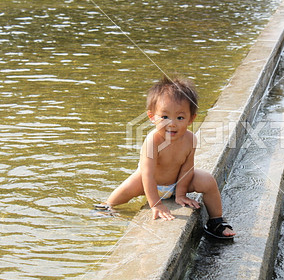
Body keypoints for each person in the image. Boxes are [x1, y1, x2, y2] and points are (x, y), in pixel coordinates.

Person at [96, 75, 235, 239]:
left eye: (180, 117)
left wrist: (181, 193)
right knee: (127, 188)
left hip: (176, 184)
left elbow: (187, 167)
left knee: (208, 181)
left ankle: (215, 222)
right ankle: (105, 207)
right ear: (152, 117)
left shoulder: (191, 139)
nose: (172, 123)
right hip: (148, 183)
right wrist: (156, 203)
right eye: (165, 117)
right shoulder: (152, 141)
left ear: (191, 119)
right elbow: (147, 174)